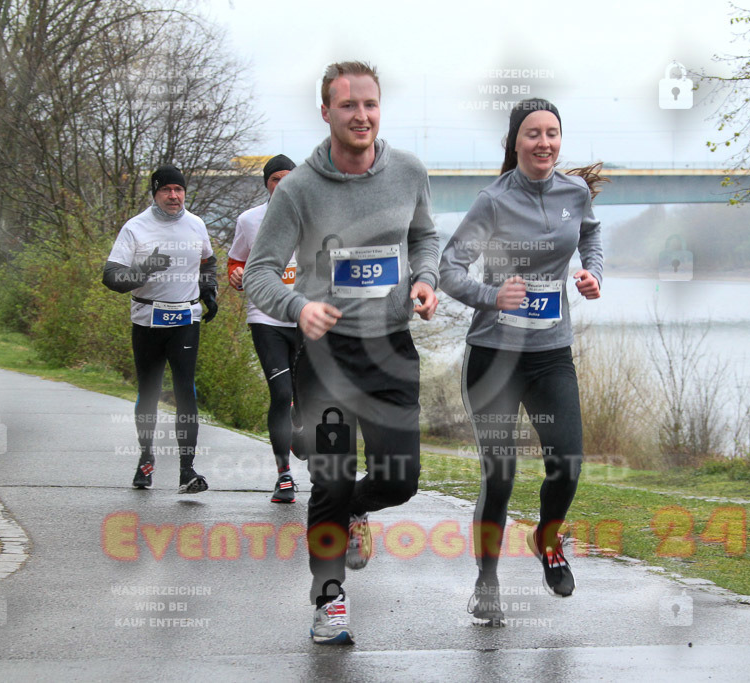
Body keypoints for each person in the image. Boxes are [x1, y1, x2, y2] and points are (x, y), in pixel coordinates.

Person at [244, 61, 440, 645]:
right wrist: (298, 306)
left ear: (380, 109)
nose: (361, 115)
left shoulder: (408, 171)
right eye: (348, 106)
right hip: (326, 355)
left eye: (370, 105)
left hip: (391, 349)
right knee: (330, 477)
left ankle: (356, 511)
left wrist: (425, 278)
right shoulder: (300, 189)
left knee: (401, 479)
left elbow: (424, 236)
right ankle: (328, 598)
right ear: (326, 112)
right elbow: (258, 275)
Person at [438, 98, 603, 627]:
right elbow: (448, 268)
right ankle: (486, 580)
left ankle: (546, 538)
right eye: (533, 134)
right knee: (501, 473)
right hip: (494, 356)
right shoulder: (493, 201)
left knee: (569, 461)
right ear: (515, 142)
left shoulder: (574, 193)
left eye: (553, 133)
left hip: (550, 353)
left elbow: (592, 233)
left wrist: (593, 272)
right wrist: (492, 296)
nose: (544, 143)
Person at [102, 164, 218, 493]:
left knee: (185, 391)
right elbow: (111, 277)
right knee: (149, 392)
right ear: (155, 193)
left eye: (178, 189)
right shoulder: (136, 228)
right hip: (148, 321)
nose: (173, 195)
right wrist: (144, 269)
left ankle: (187, 470)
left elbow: (208, 260)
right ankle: (146, 458)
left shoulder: (196, 225)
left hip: (185, 319)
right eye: (166, 189)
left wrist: (208, 291)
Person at [227, 154, 300, 503]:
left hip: (306, 318)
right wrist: (236, 275)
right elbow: (236, 259)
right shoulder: (249, 220)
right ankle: (284, 475)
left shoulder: (315, 214)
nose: (283, 184)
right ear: (267, 184)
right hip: (266, 318)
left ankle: (299, 438)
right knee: (280, 393)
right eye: (275, 179)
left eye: (289, 178)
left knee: (308, 398)